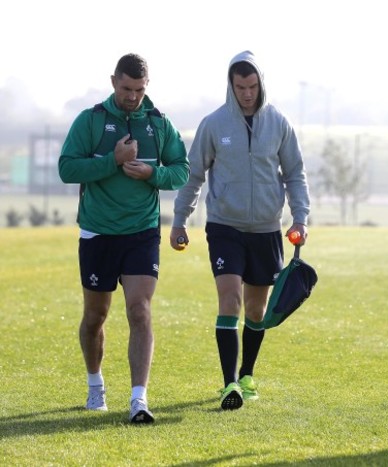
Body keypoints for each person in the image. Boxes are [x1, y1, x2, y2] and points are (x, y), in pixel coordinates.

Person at [170, 51, 311, 411]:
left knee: (257, 310)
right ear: (230, 86)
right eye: (239, 87)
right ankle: (229, 383)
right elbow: (193, 175)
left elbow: (294, 173)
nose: (247, 93)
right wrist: (180, 220)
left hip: (266, 230)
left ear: (261, 83)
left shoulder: (279, 122)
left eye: (252, 86)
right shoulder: (214, 124)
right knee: (229, 298)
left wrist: (300, 218)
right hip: (224, 226)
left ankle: (247, 374)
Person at [59, 53, 189, 423]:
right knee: (95, 316)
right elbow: (66, 168)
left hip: (142, 232)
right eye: (127, 88)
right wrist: (111, 161)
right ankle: (95, 383)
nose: (132, 96)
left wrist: (152, 173)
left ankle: (138, 400)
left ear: (147, 86)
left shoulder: (158, 123)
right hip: (98, 231)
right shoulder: (91, 120)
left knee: (140, 310)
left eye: (139, 89)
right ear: (113, 81)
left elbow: (182, 170)